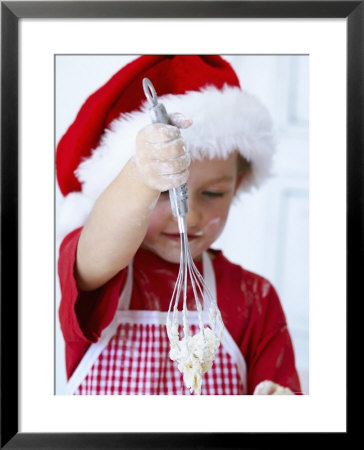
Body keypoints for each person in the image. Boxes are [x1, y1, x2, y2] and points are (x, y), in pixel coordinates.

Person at [57, 55, 302, 395]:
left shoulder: (254, 299)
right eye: (161, 192)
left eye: (213, 193)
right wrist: (140, 175)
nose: (187, 214)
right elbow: (99, 245)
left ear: (239, 182)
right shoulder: (102, 273)